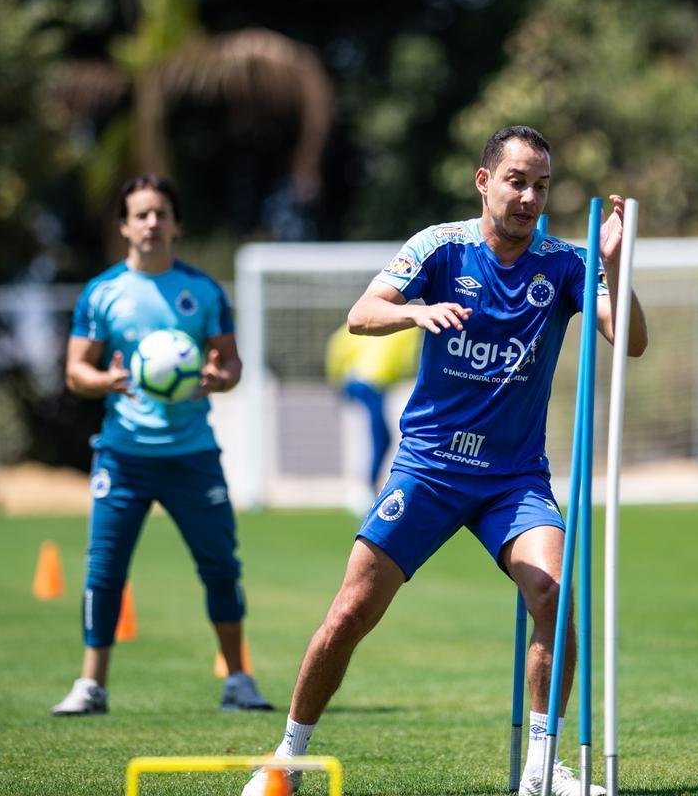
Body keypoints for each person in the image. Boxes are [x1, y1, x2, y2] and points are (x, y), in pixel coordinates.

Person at [242, 126, 647, 795]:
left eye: (541, 185)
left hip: (513, 479)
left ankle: (543, 770)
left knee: (553, 592)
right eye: (517, 180)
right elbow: (362, 314)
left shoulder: (567, 263)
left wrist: (618, 266)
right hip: (428, 469)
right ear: (483, 180)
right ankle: (286, 757)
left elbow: (628, 341)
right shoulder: (438, 246)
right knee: (349, 614)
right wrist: (417, 312)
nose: (528, 197)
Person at [51, 175, 273, 716]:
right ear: (125, 225)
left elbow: (233, 363)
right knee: (103, 571)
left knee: (220, 567)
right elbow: (76, 372)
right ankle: (91, 686)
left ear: (176, 224)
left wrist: (220, 379)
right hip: (124, 456)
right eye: (141, 215)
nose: (151, 224)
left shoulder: (203, 292)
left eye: (160, 214)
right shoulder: (102, 293)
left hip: (192, 454)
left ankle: (238, 680)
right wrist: (110, 380)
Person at [324, 323, 422, 512]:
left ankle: (366, 486)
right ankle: (363, 488)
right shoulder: (410, 326)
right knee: (373, 439)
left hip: (357, 384)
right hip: (369, 385)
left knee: (375, 438)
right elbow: (407, 359)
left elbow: (337, 353)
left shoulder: (352, 326)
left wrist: (336, 381)